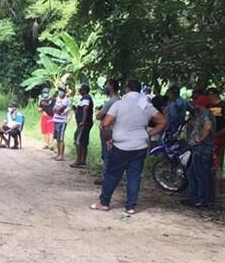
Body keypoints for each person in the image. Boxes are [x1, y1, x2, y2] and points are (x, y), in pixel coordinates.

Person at [91, 79, 168, 214]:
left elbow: (105, 124)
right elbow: (162, 121)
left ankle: (104, 203)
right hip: (140, 145)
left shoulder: (119, 104)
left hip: (121, 145)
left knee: (112, 175)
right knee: (134, 176)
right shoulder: (145, 105)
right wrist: (149, 134)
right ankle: (131, 206)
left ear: (127, 89)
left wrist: (109, 138)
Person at [183, 95, 216, 208]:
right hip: (199, 149)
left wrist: (200, 138)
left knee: (200, 174)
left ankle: (203, 200)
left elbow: (208, 127)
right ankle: (194, 197)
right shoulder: (202, 115)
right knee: (192, 173)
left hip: (203, 148)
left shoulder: (206, 115)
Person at [207, 87, 225, 199]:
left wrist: (219, 133)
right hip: (207, 138)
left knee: (216, 164)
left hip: (218, 138)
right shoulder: (209, 107)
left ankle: (217, 190)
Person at [94, 79, 121, 185]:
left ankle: (106, 178)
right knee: (111, 154)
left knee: (107, 154)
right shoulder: (118, 100)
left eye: (107, 85)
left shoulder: (111, 101)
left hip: (107, 130)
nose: (105, 87)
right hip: (114, 129)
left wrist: (99, 114)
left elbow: (100, 116)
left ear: (111, 87)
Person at [71, 83, 95, 168]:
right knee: (84, 141)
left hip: (84, 123)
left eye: (81, 89)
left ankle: (78, 160)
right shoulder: (86, 97)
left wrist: (83, 121)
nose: (79, 90)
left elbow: (85, 108)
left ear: (84, 90)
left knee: (78, 140)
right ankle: (82, 160)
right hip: (85, 123)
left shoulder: (86, 97)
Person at [52, 86, 72, 161]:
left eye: (62, 91)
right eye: (59, 90)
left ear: (65, 92)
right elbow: (54, 109)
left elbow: (60, 109)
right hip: (56, 120)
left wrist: (57, 109)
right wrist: (57, 110)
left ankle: (61, 155)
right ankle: (58, 154)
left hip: (62, 121)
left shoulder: (66, 100)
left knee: (61, 139)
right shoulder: (58, 99)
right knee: (57, 138)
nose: (60, 92)